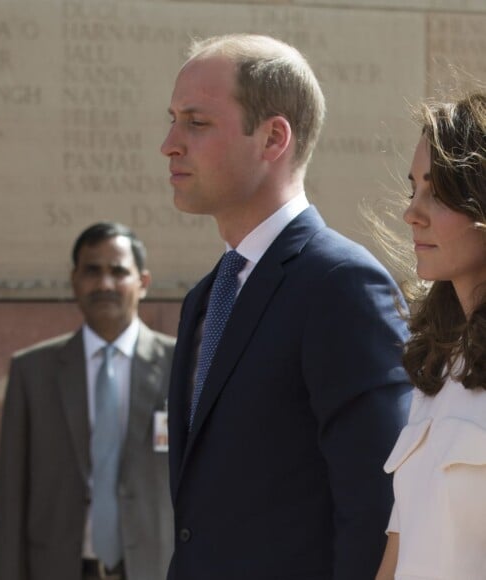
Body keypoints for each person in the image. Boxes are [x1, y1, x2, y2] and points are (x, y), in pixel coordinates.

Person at [160, 33, 412, 580]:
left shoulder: (341, 284)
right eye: (172, 119)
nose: (170, 144)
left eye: (196, 123)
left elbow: (378, 504)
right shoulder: (206, 296)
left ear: (273, 137)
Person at [0, 222, 175, 580]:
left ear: (143, 283)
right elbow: (11, 500)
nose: (105, 284)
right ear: (74, 280)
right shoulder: (33, 372)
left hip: (156, 568)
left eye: (118, 271)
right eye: (92, 271)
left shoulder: (182, 367)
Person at [375, 92, 486, 579]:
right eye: (412, 189)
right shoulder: (437, 363)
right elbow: (399, 551)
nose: (411, 214)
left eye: (437, 193)